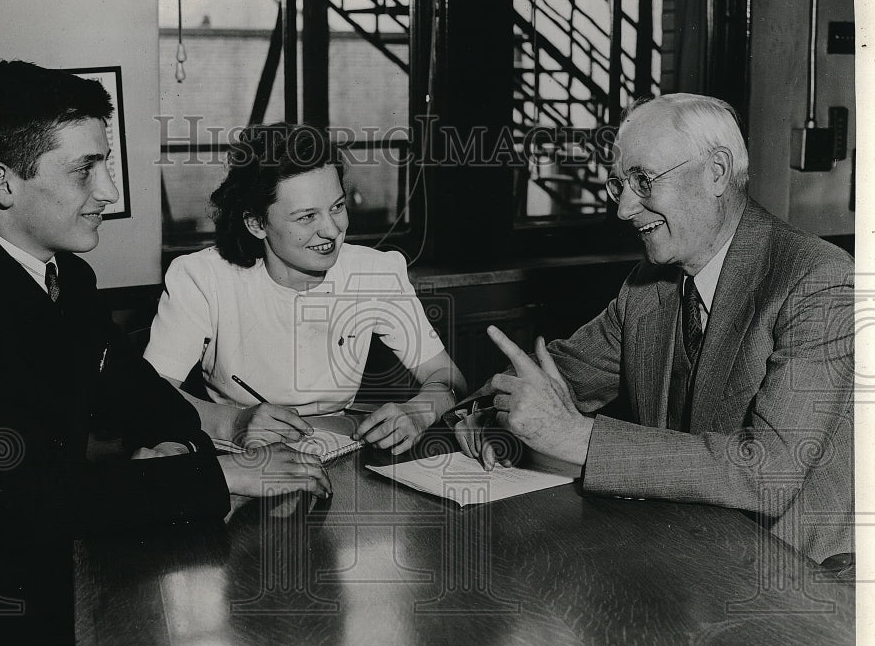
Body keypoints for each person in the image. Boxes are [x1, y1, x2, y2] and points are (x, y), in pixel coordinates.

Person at [0, 61, 330, 646]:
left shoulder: (64, 277)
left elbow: (126, 383)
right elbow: (21, 500)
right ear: (3, 183)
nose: (108, 189)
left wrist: (198, 434)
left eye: (106, 162)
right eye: (85, 168)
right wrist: (222, 476)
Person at [454, 93, 853, 567]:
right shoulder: (650, 286)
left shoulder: (819, 280)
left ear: (716, 172)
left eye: (643, 179)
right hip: (687, 553)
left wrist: (573, 437)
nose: (624, 209)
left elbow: (767, 472)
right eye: (618, 184)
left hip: (793, 582)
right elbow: (561, 372)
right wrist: (479, 412)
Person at [144, 122, 467, 455]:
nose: (331, 230)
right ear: (256, 224)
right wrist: (235, 422)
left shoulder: (375, 273)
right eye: (307, 217)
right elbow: (149, 394)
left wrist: (420, 410)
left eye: (337, 207)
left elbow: (447, 377)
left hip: (339, 450)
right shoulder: (202, 278)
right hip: (236, 454)